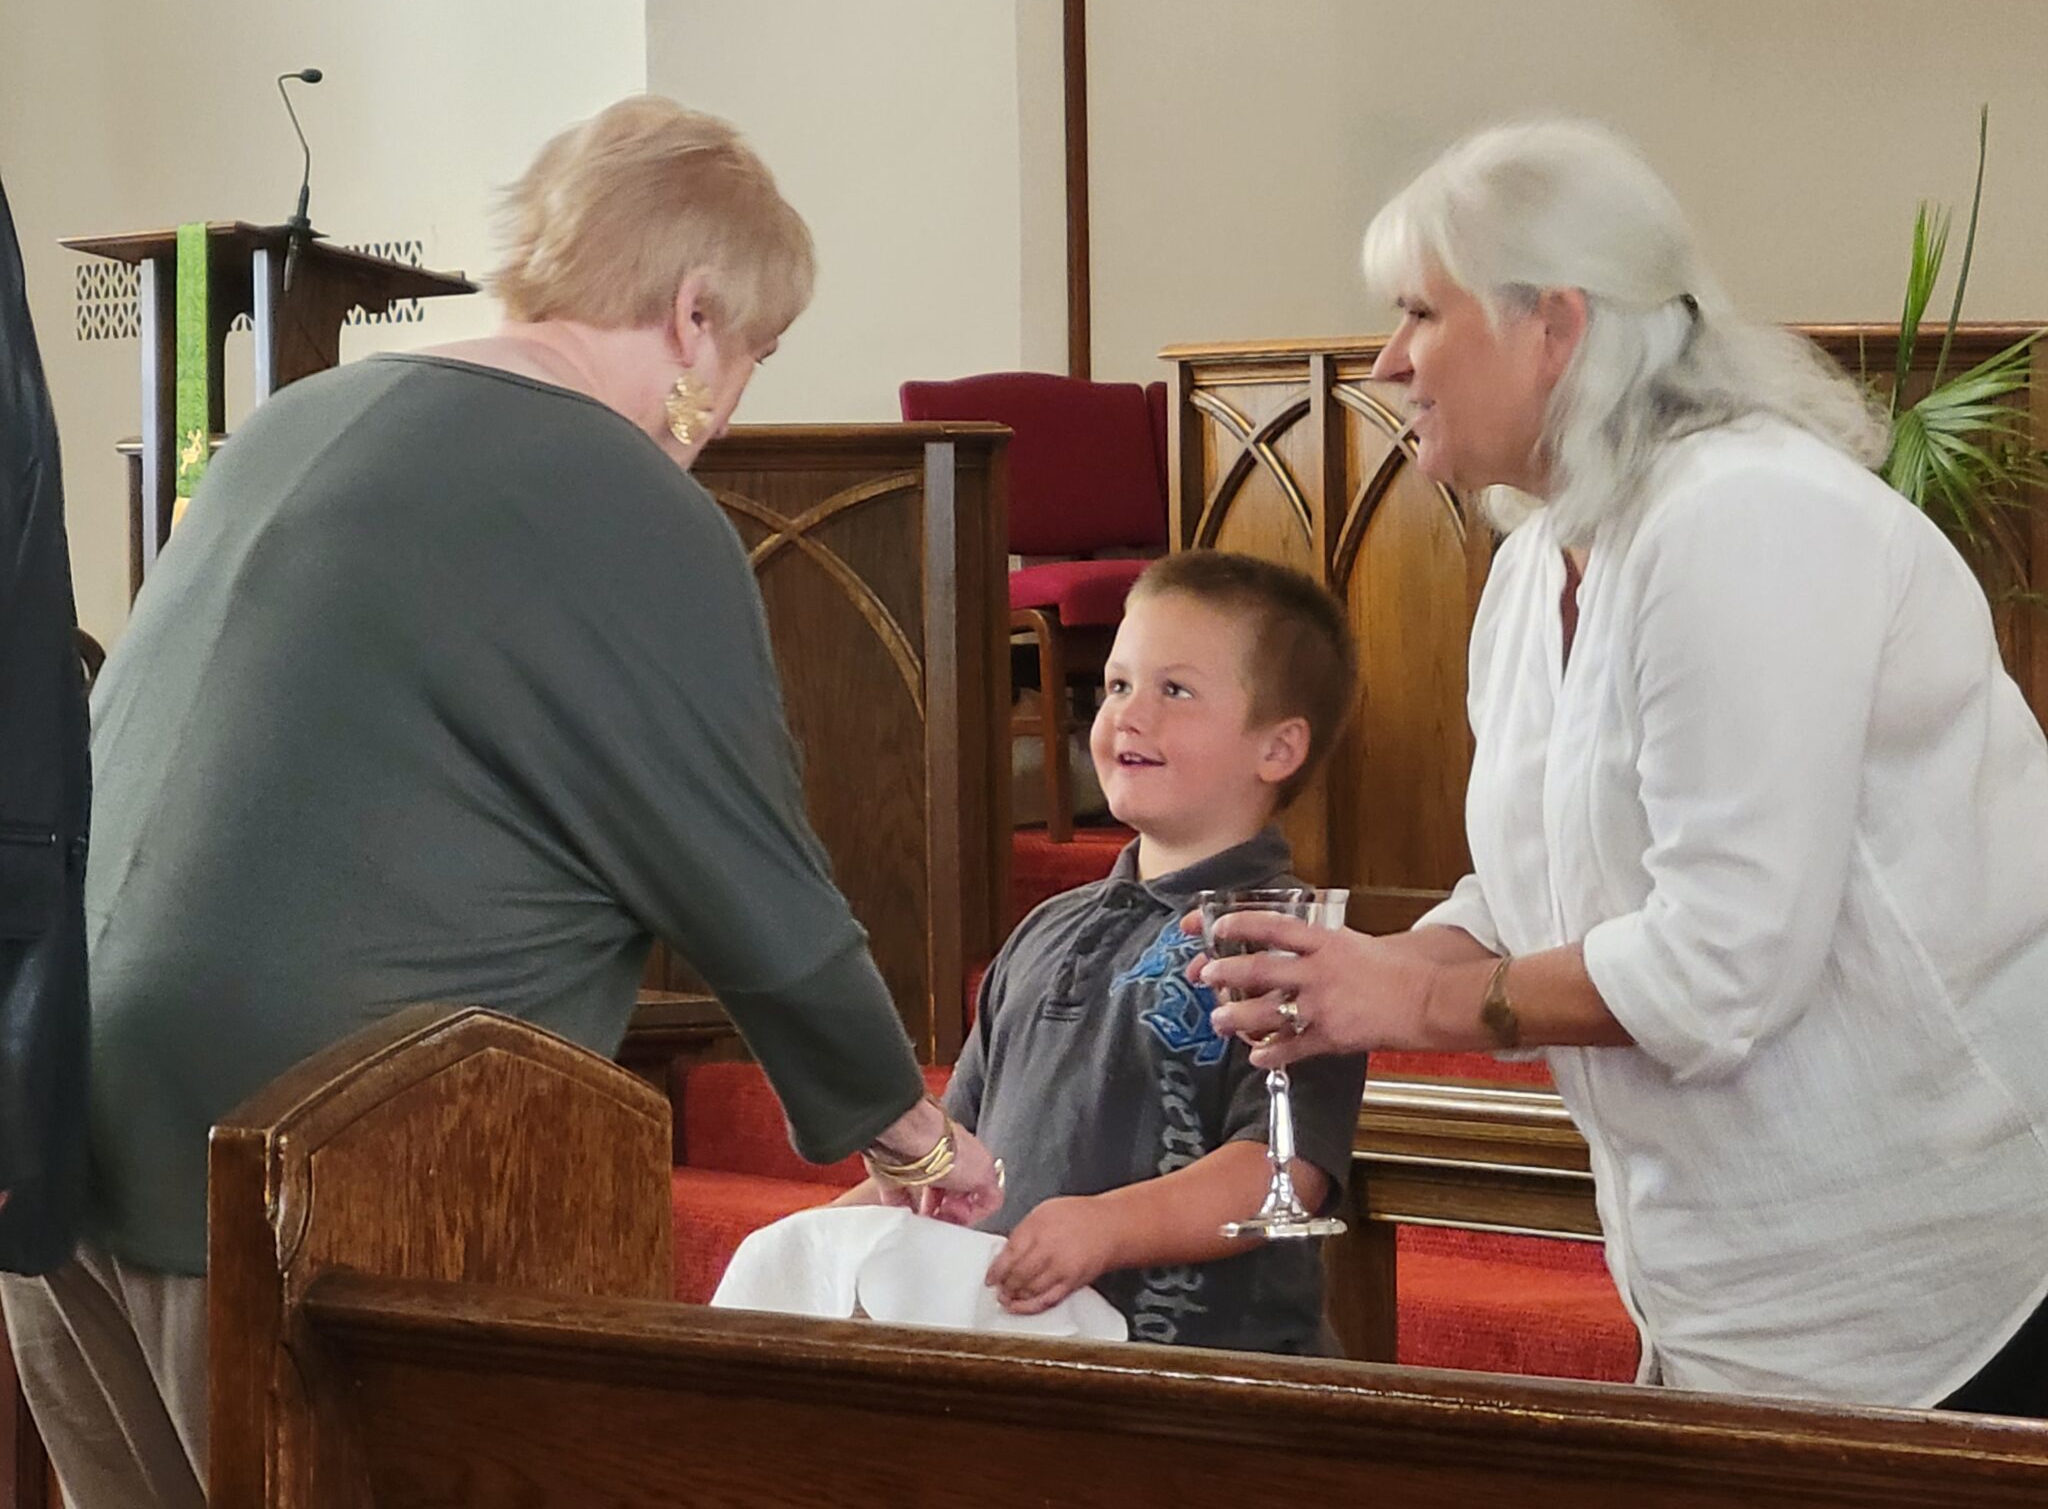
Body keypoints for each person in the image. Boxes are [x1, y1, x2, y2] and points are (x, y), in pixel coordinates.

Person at [0, 95, 1001, 1509]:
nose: (736, 404)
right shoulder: (622, 497)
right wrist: (913, 1135)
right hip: (315, 1157)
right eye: (757, 353)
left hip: (70, 1102)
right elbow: (755, 890)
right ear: (697, 313)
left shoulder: (296, 421)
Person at [1197, 119, 2048, 1415]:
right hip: (1728, 1274)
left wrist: (1418, 1008)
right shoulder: (1543, 556)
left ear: (1556, 326)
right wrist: (1366, 976)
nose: (1387, 360)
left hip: (1939, 1267)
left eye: (1422, 312)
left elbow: (1724, 965)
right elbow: (1530, 885)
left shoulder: (1747, 520)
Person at [843, 551, 1367, 1354]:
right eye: (1119, 684)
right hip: (1031, 1364)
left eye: (1175, 690)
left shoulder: (1290, 944)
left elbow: (1281, 1172)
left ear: (1278, 749)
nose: (1130, 714)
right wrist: (830, 1235)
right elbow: (958, 1141)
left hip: (1211, 1396)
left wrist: (1110, 1227)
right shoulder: (1046, 927)